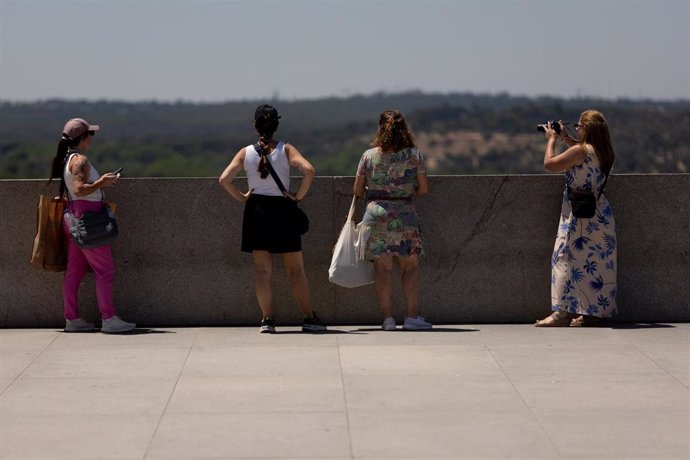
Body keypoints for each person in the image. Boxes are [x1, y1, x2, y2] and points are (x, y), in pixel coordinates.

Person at [219, 105, 326, 333]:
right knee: (296, 271)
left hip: (256, 211)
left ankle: (267, 319)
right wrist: (298, 195)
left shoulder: (245, 152)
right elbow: (309, 170)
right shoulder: (285, 149)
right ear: (276, 126)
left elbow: (224, 179)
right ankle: (309, 317)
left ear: (255, 126)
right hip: (282, 209)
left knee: (261, 270)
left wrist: (243, 198)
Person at [49, 118, 136, 333]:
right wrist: (100, 183)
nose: (92, 138)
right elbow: (79, 189)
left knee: (74, 271)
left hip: (74, 218)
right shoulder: (80, 161)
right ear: (82, 138)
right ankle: (109, 318)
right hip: (89, 220)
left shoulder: (67, 159)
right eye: (91, 134)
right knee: (105, 270)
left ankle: (72, 318)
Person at [536, 110, 617, 327]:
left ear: (588, 129)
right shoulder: (603, 151)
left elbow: (550, 164)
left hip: (578, 217)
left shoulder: (581, 150)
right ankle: (593, 313)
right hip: (599, 215)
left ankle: (561, 313)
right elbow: (580, 152)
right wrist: (566, 137)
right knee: (597, 265)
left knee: (563, 259)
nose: (577, 129)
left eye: (580, 126)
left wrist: (551, 140)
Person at [353, 110, 432, 331]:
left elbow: (357, 189)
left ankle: (388, 319)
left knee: (382, 269)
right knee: (410, 266)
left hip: (376, 213)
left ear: (380, 128)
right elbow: (424, 188)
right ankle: (411, 317)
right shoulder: (413, 155)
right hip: (404, 213)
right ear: (404, 129)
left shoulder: (368, 156)